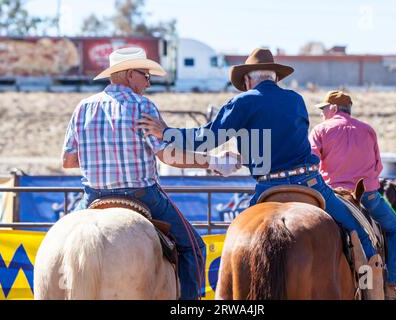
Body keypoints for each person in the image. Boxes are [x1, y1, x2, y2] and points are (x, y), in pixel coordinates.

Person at [137, 48, 381, 280]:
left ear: (247, 81)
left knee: (239, 246)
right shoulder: (295, 100)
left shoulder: (242, 102)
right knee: (361, 234)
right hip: (310, 183)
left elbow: (207, 139)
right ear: (275, 78)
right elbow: (286, 139)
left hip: (268, 187)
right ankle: (373, 285)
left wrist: (166, 132)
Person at [61, 47, 237, 300]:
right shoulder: (142, 106)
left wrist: (103, 155)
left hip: (93, 198)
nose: (148, 82)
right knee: (194, 246)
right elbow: (167, 156)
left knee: (60, 242)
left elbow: (68, 160)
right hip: (142, 196)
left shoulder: (83, 107)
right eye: (146, 76)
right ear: (131, 74)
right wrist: (214, 162)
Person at [309, 90, 396, 300]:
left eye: (324, 109)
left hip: (331, 197)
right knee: (395, 229)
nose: (323, 113)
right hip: (367, 197)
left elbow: (312, 163)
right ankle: (391, 283)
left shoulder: (320, 130)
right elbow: (377, 166)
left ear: (333, 109)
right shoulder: (368, 130)